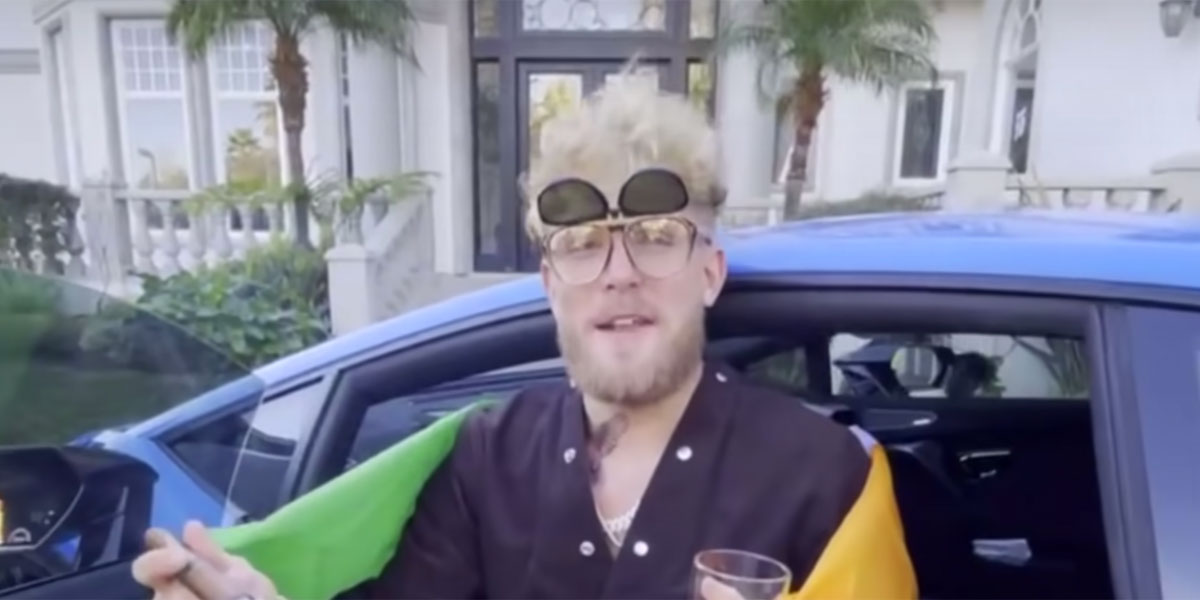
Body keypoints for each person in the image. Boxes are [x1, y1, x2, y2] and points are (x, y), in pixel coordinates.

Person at [133, 66, 914, 600]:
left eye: (654, 236)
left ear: (708, 272)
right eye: (581, 246)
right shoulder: (487, 460)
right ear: (550, 287)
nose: (618, 272)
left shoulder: (823, 479)